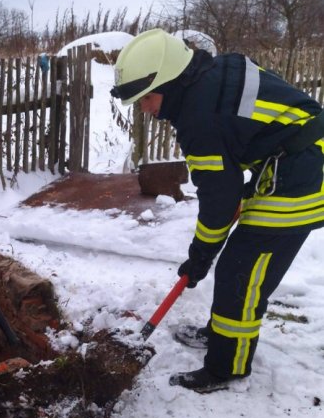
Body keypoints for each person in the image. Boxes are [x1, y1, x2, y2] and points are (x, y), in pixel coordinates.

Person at [111, 29, 324, 393]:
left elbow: (219, 202)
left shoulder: (199, 118)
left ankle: (227, 366)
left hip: (305, 175)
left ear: (171, 81)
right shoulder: (213, 75)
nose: (144, 108)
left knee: (240, 272)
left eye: (146, 97)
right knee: (243, 268)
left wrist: (200, 256)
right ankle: (221, 334)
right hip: (294, 160)